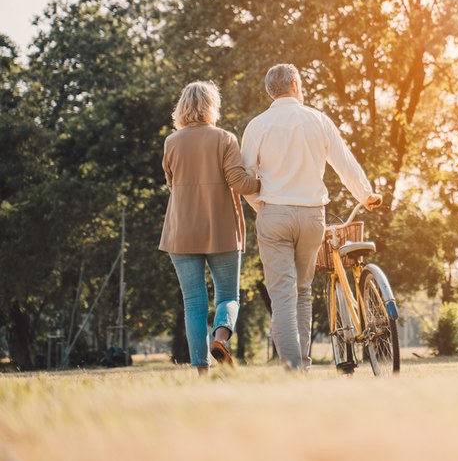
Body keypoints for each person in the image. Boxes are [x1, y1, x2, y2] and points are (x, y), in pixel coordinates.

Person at [241, 63, 382, 371]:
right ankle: (301, 366)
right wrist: (365, 195)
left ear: (271, 90)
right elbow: (344, 163)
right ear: (294, 84)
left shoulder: (257, 125)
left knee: (282, 297)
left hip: (274, 215)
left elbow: (245, 178)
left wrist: (261, 207)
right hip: (311, 217)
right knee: (302, 292)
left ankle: (294, 370)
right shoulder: (317, 120)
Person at [159, 81, 260, 376]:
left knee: (193, 303)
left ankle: (200, 370)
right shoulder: (225, 139)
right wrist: (262, 183)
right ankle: (220, 338)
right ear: (211, 106)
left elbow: (171, 184)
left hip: (181, 231)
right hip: (222, 229)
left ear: (182, 107)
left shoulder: (171, 142)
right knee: (228, 296)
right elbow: (239, 183)